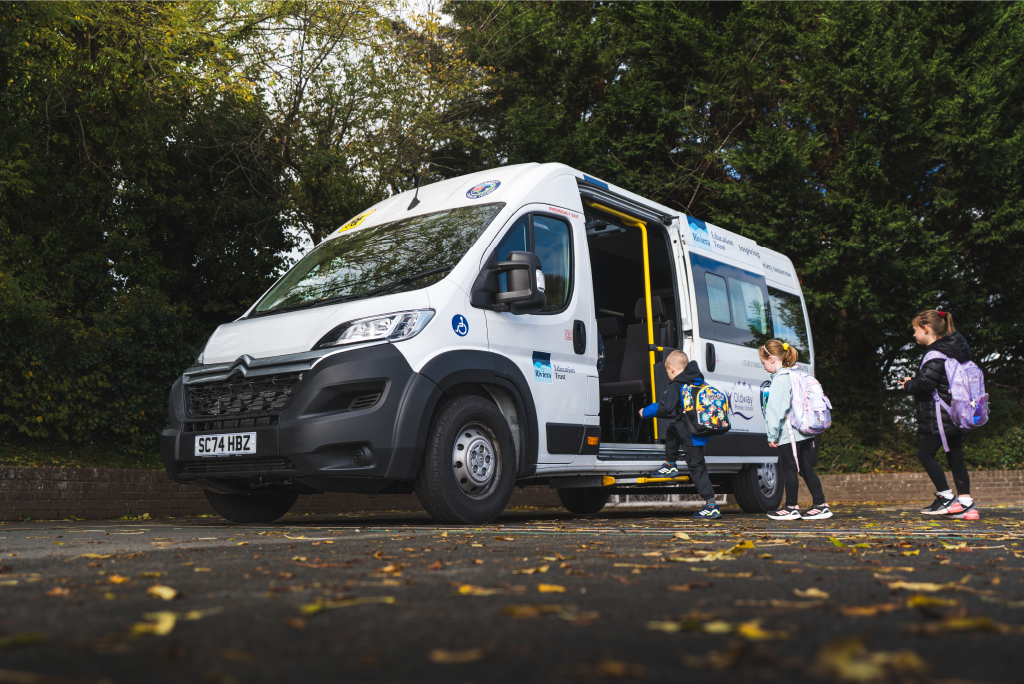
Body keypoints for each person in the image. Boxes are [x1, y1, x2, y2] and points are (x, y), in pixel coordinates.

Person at [899, 310, 976, 519]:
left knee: (925, 454)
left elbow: (926, 384)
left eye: (915, 330)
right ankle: (966, 503)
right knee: (955, 458)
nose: (914, 335)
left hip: (939, 416)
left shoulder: (934, 354)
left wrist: (908, 385)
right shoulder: (952, 351)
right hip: (955, 413)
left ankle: (945, 496)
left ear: (926, 329)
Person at [637, 350, 721, 520]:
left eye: (668, 372)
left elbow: (665, 406)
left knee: (697, 468)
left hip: (690, 432)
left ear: (671, 369)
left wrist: (645, 411)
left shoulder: (678, 384)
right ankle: (670, 463)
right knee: (672, 430)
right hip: (700, 430)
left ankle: (711, 505)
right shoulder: (698, 382)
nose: (668, 375)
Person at [759, 340, 832, 520]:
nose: (764, 368)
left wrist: (772, 434)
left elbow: (775, 409)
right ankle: (820, 504)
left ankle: (791, 506)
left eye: (764, 363)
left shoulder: (780, 379)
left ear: (772, 358)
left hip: (790, 432)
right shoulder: (795, 374)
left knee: (788, 468)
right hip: (805, 431)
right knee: (805, 467)